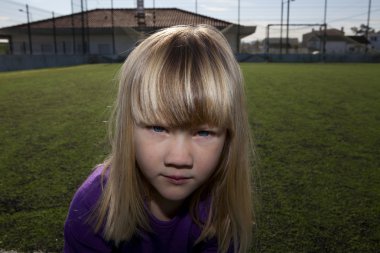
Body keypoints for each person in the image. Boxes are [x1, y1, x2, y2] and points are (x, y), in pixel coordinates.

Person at [64, 24, 254, 253]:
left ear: (229, 138)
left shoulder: (222, 207)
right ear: (128, 127)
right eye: (158, 128)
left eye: (203, 132)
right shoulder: (92, 207)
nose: (179, 158)